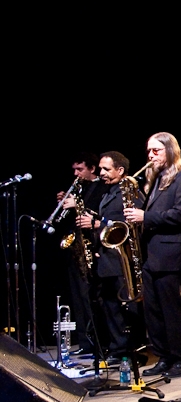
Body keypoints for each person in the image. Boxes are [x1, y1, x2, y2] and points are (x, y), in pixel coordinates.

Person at [125, 132, 181, 379]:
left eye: (156, 150)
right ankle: (164, 357)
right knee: (153, 312)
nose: (150, 155)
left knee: (172, 311)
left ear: (170, 151)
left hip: (173, 254)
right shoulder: (156, 181)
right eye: (148, 151)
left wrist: (145, 217)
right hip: (153, 255)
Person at [76, 151, 146, 364]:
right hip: (107, 258)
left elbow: (131, 224)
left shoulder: (130, 192)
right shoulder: (108, 192)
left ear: (120, 170)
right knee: (110, 307)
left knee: (125, 308)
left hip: (122, 260)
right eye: (102, 168)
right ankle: (117, 349)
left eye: (107, 169)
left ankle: (130, 350)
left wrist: (98, 224)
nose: (102, 173)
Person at [55, 152, 109, 357]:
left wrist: (77, 205)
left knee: (92, 298)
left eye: (80, 169)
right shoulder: (80, 188)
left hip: (93, 247)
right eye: (74, 170)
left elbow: (97, 213)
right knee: (78, 298)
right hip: (76, 248)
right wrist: (65, 202)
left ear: (92, 169)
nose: (76, 174)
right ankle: (85, 343)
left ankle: (99, 343)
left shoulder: (102, 187)